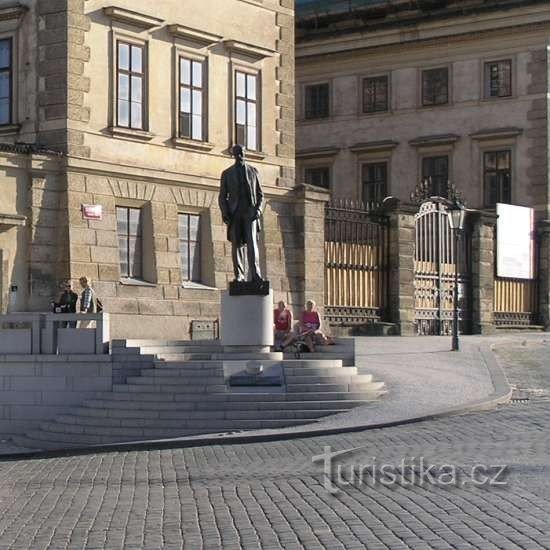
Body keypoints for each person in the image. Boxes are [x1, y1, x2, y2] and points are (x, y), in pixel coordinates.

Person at [218, 144, 265, 282]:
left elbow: (261, 194)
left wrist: (259, 209)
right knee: (236, 244)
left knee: (252, 244)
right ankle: (239, 275)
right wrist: (225, 212)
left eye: (242, 153)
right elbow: (222, 196)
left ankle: (255, 274)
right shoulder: (227, 174)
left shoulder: (253, 171)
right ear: (233, 155)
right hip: (235, 212)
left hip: (250, 212)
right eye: (237, 154)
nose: (240, 156)